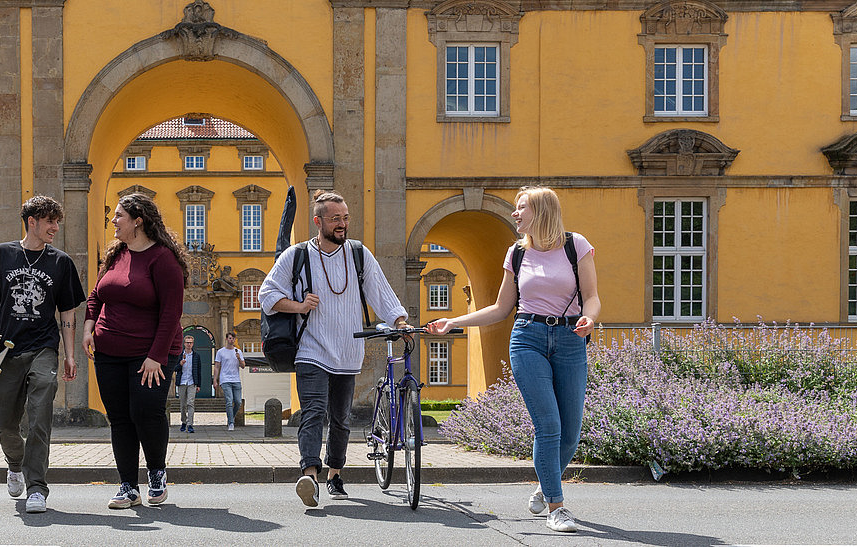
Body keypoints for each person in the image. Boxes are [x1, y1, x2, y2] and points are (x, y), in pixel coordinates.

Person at [428, 186, 600, 533]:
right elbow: (501, 308)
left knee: (570, 434)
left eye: (522, 208)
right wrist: (453, 322)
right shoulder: (517, 253)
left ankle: (544, 484)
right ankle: (557, 507)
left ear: (543, 211)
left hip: (570, 339)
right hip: (528, 339)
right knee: (548, 426)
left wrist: (590, 319)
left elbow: (592, 296)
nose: (515, 213)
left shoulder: (575, 245)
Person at [259, 190, 409, 508]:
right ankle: (310, 475)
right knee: (313, 411)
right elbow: (267, 294)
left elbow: (380, 290)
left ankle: (334, 473)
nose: (342, 225)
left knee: (340, 418)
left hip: (348, 351)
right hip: (311, 349)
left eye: (345, 218)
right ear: (318, 221)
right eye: (335, 219)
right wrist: (298, 305)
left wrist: (399, 319)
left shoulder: (358, 254)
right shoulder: (297, 256)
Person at [0, 196, 85, 514]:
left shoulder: (60, 262)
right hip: (7, 352)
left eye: (58, 221)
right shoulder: (1, 255)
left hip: (44, 348)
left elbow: (67, 311)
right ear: (31, 221)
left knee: (39, 415)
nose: (55, 227)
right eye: (50, 221)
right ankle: (15, 463)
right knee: (5, 422)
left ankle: (37, 488)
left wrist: (69, 354)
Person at [83, 193, 186, 509]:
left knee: (145, 411)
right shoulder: (115, 255)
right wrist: (88, 327)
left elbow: (171, 312)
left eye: (118, 216)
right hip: (108, 352)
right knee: (119, 417)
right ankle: (128, 485)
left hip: (151, 354)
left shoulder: (162, 259)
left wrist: (156, 355)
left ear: (138, 220)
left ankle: (156, 473)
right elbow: (96, 295)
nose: (113, 221)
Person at [211, 332, 244, 431]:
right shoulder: (221, 352)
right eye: (229, 338)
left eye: (233, 338)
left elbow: (243, 366)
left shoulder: (238, 351)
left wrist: (239, 358)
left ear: (235, 340)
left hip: (236, 379)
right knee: (229, 401)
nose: (231, 340)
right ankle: (231, 423)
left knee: (238, 402)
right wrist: (215, 380)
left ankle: (231, 417)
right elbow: (217, 367)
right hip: (225, 379)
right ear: (226, 339)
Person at [174, 335, 199, 434]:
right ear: (184, 343)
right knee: (183, 404)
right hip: (182, 382)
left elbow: (198, 370)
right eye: (187, 342)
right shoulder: (179, 355)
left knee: (190, 403)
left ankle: (190, 424)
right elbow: (174, 369)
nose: (189, 344)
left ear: (193, 344)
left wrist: (199, 384)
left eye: (190, 343)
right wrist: (180, 364)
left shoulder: (196, 356)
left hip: (192, 382)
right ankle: (184, 422)